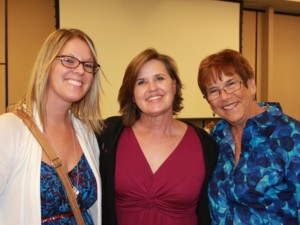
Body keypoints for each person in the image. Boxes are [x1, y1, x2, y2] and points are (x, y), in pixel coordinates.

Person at [97, 48, 218, 225]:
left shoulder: (205, 144)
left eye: (159, 78)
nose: (152, 88)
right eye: (141, 82)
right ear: (132, 94)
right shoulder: (109, 135)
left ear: (174, 85)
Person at [0, 28, 103, 224]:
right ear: (46, 64)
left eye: (88, 65)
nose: (80, 70)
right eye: (69, 60)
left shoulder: (87, 133)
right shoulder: (8, 130)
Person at [197, 48, 300, 224]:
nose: (224, 96)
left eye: (231, 84)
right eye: (213, 91)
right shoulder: (216, 137)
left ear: (251, 85)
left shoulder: (292, 136)